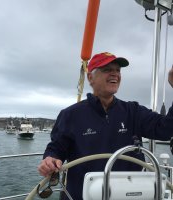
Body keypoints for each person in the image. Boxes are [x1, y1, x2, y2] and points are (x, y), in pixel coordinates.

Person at [38, 52, 173, 200]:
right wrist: (50, 160)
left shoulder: (133, 111)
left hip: (128, 195)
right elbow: (56, 149)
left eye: (118, 70)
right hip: (83, 195)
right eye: (107, 69)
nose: (115, 74)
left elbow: (166, 129)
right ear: (91, 78)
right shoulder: (70, 114)